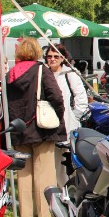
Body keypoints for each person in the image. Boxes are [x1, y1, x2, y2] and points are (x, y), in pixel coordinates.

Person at [6, 37, 66, 217]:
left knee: (23, 171)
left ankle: (26, 212)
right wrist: (58, 115)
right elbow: (56, 96)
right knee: (44, 170)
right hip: (41, 127)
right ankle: (45, 212)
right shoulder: (42, 70)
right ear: (37, 52)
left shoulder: (10, 73)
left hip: (18, 127)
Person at [45, 44, 88, 186]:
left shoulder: (70, 74)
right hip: (50, 124)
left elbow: (81, 98)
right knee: (55, 161)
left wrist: (75, 116)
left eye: (56, 56)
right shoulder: (45, 74)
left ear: (62, 58)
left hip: (69, 123)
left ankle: (72, 186)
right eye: (49, 56)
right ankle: (59, 187)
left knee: (69, 160)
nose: (52, 59)